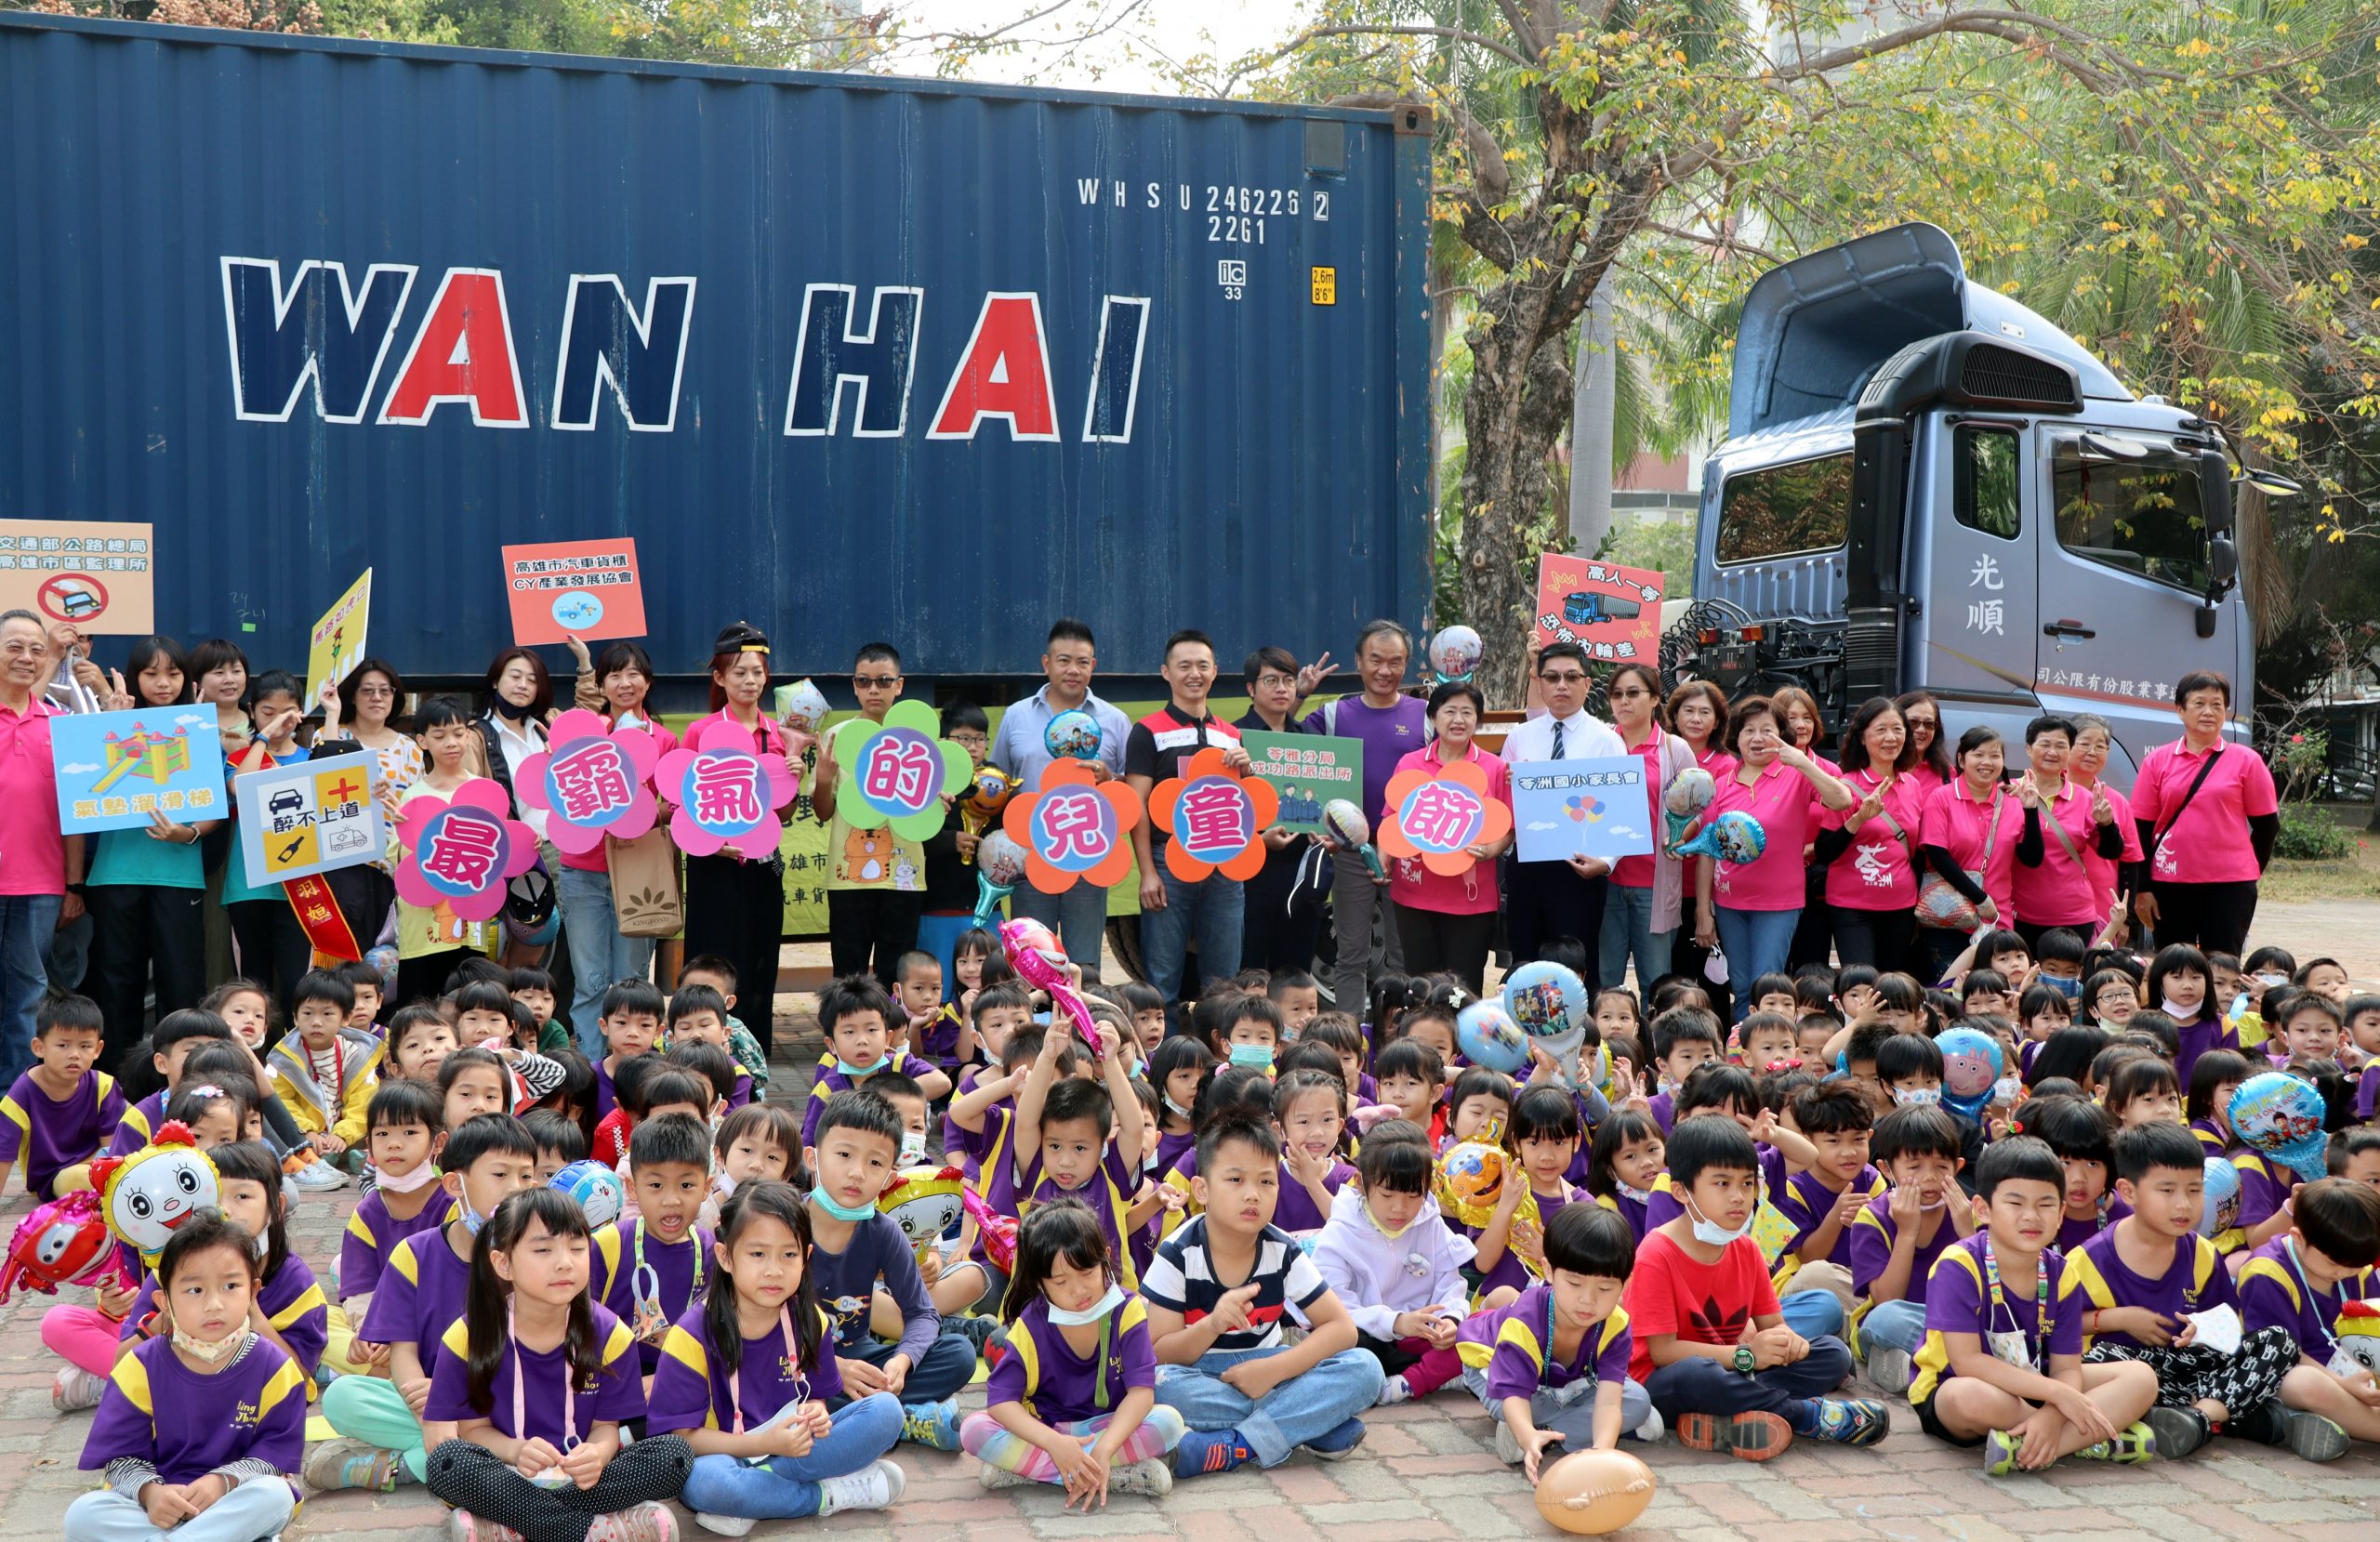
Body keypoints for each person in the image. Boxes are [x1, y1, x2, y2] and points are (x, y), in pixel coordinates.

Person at [420, 1189, 691, 1542]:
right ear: (503, 1263)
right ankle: (593, 1529)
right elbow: (473, 1431)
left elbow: (606, 1428)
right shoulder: (468, 1336)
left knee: (676, 1455)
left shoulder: (612, 1335)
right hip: (508, 1473)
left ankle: (514, 1525)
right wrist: (516, 1451)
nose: (565, 1262)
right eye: (543, 1249)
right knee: (447, 1463)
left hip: (581, 1480)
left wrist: (595, 1454)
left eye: (577, 1248)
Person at [2058, 1121, 2338, 1460]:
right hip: (2124, 1371)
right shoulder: (2086, 1261)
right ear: (2128, 1192)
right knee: (2105, 1364)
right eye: (2167, 1191)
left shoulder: (2202, 1252)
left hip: (2186, 1369)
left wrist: (2205, 1328)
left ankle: (2198, 1418)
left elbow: (2231, 1325)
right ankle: (2245, 1418)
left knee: (2277, 1341)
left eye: (2194, 1191)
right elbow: (2057, 1333)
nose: (2183, 1205)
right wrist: (2115, 1319)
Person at [1621, 1115, 1884, 1459]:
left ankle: (1722, 1420)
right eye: (1722, 1184)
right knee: (1698, 1376)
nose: (1739, 1198)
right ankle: (1806, 1415)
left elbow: (1773, 1325)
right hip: (1665, 1381)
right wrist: (1747, 1356)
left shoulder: (1746, 1248)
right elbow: (1663, 1353)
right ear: (1681, 1191)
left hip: (1737, 1370)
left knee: (1832, 1355)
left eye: (1747, 1184)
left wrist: (1788, 1343)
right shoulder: (1656, 1253)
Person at [654, 1180, 907, 1532]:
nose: (774, 1270)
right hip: (725, 1457)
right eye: (758, 1254)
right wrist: (763, 1444)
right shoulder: (690, 1336)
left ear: (806, 1258)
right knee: (704, 1484)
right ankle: (828, 1495)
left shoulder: (810, 1319)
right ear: (726, 1257)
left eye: (788, 1255)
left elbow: (816, 1395)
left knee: (887, 1412)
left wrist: (816, 1414)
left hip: (794, 1446)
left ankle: (757, 1497)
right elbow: (681, 1438)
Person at [313, 1113, 544, 1494]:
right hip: (431, 1397)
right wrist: (431, 1401)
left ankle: (405, 1466)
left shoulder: (535, 1254)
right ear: (455, 1184)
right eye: (500, 1175)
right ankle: (473, 1458)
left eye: (525, 1177)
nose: (515, 1189)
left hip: (505, 1398)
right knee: (342, 1397)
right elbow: (404, 1351)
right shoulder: (415, 1253)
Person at [1141, 1114, 1384, 1475]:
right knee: (1158, 1391)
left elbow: (1342, 1329)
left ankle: (1236, 1446)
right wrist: (1213, 1324)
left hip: (1272, 1365)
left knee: (1366, 1369)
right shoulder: (1178, 1253)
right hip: (1201, 1375)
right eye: (1236, 1179)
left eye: (1266, 1181)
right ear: (1201, 1189)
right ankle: (1313, 1423)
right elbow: (1158, 1353)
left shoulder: (1282, 1249)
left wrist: (1274, 1369)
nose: (1252, 1193)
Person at [1906, 1136, 2160, 1472]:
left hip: (2039, 1383)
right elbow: (1967, 1361)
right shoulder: (1958, 1264)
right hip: (1957, 1386)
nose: (2031, 1216)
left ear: (2061, 1214)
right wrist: (2059, 1398)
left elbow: (2067, 1368)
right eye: (2015, 1203)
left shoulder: (2062, 1272)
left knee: (2141, 1377)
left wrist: (2054, 1413)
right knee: (1968, 1397)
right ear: (1982, 1209)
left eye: (2045, 1204)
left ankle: (2039, 1446)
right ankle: (2090, 1436)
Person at [67, 1212, 305, 1542]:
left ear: (253, 1292)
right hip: (157, 1508)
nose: (214, 1304)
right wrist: (152, 1494)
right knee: (84, 1514)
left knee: (275, 1495)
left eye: (230, 1286)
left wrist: (221, 1482)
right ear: (165, 1302)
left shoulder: (276, 1368)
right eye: (194, 1289)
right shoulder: (140, 1366)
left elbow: (273, 1460)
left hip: (233, 1501)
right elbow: (120, 1460)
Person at [963, 1200, 1184, 1502]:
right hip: (1047, 1431)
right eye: (1061, 1281)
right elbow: (1001, 1404)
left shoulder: (1128, 1310)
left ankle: (1038, 1470)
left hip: (1109, 1428)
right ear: (1040, 1282)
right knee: (973, 1430)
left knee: (1169, 1422)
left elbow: (1141, 1393)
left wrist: (1106, 1448)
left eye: (1087, 1272)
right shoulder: (1029, 1326)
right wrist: (1055, 1443)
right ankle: (1112, 1475)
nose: (1079, 1290)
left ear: (1105, 1258)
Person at [802, 1090, 972, 1449]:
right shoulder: (787, 1223)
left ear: (890, 1177)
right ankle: (898, 1418)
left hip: (862, 1357)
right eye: (844, 1154)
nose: (857, 1172)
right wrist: (832, 1371)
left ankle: (872, 1413)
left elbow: (923, 1314)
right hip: (797, 1363)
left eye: (875, 1163)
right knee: (775, 1386)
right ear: (813, 1158)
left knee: (959, 1354)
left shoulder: (883, 1231)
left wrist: (902, 1361)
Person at [84, 635, 217, 1064]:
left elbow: (214, 805)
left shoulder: (198, 728)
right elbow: (80, 790)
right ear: (134, 677)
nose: (164, 683)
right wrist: (112, 720)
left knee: (181, 982)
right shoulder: (111, 724)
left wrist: (190, 834)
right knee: (116, 980)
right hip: (115, 872)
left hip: (178, 873)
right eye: (152, 673)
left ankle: (182, 1077)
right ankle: (114, 1082)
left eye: (174, 673)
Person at [1460, 1204, 1660, 1478]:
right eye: (1575, 1284)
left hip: (1562, 1382)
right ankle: (1529, 1431)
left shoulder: (1616, 1324)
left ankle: (1543, 1433)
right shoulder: (1527, 1320)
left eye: (1604, 1288)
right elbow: (1514, 1394)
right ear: (1549, 1271)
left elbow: (1609, 1402)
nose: (1588, 1300)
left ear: (1625, 1285)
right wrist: (1525, 1431)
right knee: (1511, 1408)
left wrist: (1602, 1453)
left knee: (1638, 1401)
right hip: (1491, 1364)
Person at [1296, 621, 1428, 1017]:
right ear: (1359, 661)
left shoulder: (1425, 715)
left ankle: (1404, 1035)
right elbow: (1284, 743)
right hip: (1349, 850)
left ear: (1406, 665)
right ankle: (1349, 1038)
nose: (1385, 671)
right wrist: (1300, 694)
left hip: (1408, 851)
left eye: (1395, 662)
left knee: (1404, 954)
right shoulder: (1334, 714)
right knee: (1351, 953)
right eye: (1376, 660)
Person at [555, 638, 680, 1052]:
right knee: (590, 981)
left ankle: (634, 1068)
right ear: (602, 685)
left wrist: (638, 812)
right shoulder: (587, 735)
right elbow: (564, 798)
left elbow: (673, 808)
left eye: (633, 674)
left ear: (648, 682)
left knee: (633, 981)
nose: (624, 683)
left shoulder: (664, 740)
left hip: (639, 873)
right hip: (582, 871)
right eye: (615, 675)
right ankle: (592, 1074)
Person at [990, 620, 1133, 978]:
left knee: (1084, 965)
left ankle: (1086, 1033)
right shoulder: (1017, 715)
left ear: (1094, 666)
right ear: (1046, 663)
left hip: (1087, 856)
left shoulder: (1114, 720)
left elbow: (1131, 788)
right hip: (1031, 857)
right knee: (1031, 961)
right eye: (1064, 660)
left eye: (1083, 662)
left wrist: (1109, 777)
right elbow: (998, 783)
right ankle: (1035, 1033)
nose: (1073, 670)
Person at [1125, 630, 1254, 1014]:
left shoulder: (1231, 736)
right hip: (1168, 863)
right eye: (1184, 666)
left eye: (1202, 665)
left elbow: (1246, 806)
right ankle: (1160, 1064)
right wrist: (1148, 872)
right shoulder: (1147, 731)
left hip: (1225, 867)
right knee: (1162, 978)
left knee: (1224, 982)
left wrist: (1247, 772)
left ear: (1215, 672)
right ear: (1166, 672)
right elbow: (1137, 805)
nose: (1193, 674)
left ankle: (1222, 1064)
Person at [1688, 695, 1854, 988]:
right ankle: (1740, 1035)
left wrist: (1802, 762)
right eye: (1748, 730)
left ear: (1782, 738)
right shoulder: (1722, 783)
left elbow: (1842, 800)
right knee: (1739, 985)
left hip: (1779, 903)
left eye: (1767, 730)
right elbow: (1707, 851)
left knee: (1766, 982)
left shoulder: (1795, 776)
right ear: (1736, 737)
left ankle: (1767, 1034)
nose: (1757, 738)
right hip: (1729, 901)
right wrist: (1704, 910)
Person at [681, 624, 791, 1052]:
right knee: (712, 963)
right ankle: (704, 1050)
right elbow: (681, 804)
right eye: (740, 672)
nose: (750, 681)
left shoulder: (778, 733)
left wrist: (793, 775)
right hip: (714, 866)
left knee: (761, 963)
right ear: (720, 678)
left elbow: (782, 812)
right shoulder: (700, 732)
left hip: (764, 865)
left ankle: (755, 1053)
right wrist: (710, 841)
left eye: (758, 672)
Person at [1313, 1119, 1474, 1406]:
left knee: (1486, 1326)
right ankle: (1440, 1372)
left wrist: (1450, 1319)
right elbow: (1334, 1308)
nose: (1400, 1208)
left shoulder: (1430, 1221)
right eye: (1387, 1195)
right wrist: (1396, 1322)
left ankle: (1410, 1380)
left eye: (1414, 1196)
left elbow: (1451, 1284)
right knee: (1351, 1346)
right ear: (1361, 1183)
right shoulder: (1341, 1231)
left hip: (1423, 1338)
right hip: (1373, 1339)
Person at [1498, 642, 1626, 981]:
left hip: (1580, 869)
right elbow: (1501, 806)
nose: (1561, 685)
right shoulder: (1518, 738)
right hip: (1526, 867)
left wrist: (1607, 861)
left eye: (1572, 676)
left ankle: (1580, 1033)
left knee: (1577, 965)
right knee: (1525, 963)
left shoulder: (1607, 740)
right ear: (1539, 682)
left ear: (1587, 683)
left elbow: (1621, 808)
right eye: (1552, 677)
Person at [2132, 673, 2277, 957]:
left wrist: (2247, 872)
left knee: (2222, 964)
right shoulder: (2158, 761)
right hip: (2169, 884)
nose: (2209, 712)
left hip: (2230, 888)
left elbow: (2267, 827)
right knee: (2174, 963)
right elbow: (2141, 829)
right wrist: (2143, 888)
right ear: (2180, 710)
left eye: (2217, 704)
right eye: (2199, 703)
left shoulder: (2246, 761)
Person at [813, 640, 928, 992]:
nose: (873, 689)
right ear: (854, 686)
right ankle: (845, 1041)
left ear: (900, 685)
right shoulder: (836, 737)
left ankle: (896, 1043)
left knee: (898, 972)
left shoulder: (920, 739)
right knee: (850, 973)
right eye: (864, 681)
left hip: (906, 873)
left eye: (883, 681)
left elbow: (932, 805)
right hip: (849, 876)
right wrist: (823, 779)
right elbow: (822, 810)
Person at [1384, 680, 1511, 995]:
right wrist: (1384, 856)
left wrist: (1489, 851)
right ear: (1433, 717)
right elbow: (1391, 819)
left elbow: (1508, 828)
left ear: (1478, 720)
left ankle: (1461, 1046)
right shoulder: (1410, 764)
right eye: (1449, 711)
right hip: (1414, 893)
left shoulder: (1494, 767)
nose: (1458, 720)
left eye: (1467, 712)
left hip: (1471, 899)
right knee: (1420, 985)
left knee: (1463, 989)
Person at [390, 695, 498, 1007]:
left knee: (471, 1005)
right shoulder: (412, 796)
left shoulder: (484, 791)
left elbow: (498, 849)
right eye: (439, 736)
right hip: (422, 926)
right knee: (418, 1007)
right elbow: (397, 862)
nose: (451, 743)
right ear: (422, 741)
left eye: (458, 733)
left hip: (473, 918)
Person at [1597, 664, 1696, 993]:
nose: (1624, 701)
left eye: (1633, 693)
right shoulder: (1598, 744)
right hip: (1603, 881)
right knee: (1605, 981)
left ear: (1655, 699)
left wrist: (1681, 834)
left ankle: (1652, 1045)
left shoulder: (1674, 749)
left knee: (1655, 984)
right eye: (1617, 694)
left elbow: (1698, 810)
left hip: (1654, 883)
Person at [311, 655, 419, 955]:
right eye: (367, 690)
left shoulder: (410, 749)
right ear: (353, 696)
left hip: (391, 867)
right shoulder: (330, 734)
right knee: (344, 957)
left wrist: (394, 802)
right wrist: (332, 713)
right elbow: (320, 781)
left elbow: (416, 809)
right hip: (344, 861)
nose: (377, 697)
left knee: (384, 959)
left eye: (385, 691)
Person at [1816, 696, 1926, 973]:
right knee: (1861, 986)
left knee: (1892, 987)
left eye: (1898, 730)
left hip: (1901, 906)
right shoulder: (1845, 786)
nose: (1890, 738)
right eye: (1880, 730)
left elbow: (1916, 850)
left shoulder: (1911, 785)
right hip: (1852, 906)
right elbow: (1825, 851)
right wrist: (1858, 819)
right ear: (1862, 738)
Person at [1234, 646, 1327, 976]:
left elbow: (1327, 800)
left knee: (1295, 974)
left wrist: (1325, 832)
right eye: (1270, 680)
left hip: (1301, 877)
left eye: (1288, 680)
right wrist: (1259, 840)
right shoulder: (1233, 737)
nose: (1282, 688)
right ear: (1251, 688)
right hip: (1248, 877)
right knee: (1249, 973)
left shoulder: (1311, 739)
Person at [2010, 715, 2125, 952]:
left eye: (2061, 745)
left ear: (2070, 751)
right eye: (2045, 744)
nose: (2053, 752)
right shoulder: (2008, 792)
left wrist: (2107, 824)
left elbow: (2110, 851)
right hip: (2018, 915)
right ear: (2029, 748)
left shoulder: (2083, 797)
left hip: (2075, 916)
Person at [1917, 727, 2018, 984]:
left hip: (1998, 920)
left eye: (1995, 756)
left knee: (1994, 995)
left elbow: (2031, 857)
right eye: (1978, 754)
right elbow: (1937, 855)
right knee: (1947, 993)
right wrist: (1980, 898)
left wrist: (2029, 809)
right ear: (1961, 760)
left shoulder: (2012, 802)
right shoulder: (1942, 797)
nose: (1987, 762)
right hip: (1949, 919)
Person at [0, 992, 118, 1203]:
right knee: (75, 1179)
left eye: (85, 1046)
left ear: (98, 1049)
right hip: (53, 1176)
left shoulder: (104, 1085)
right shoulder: (22, 1093)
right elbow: (3, 1154)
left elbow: (114, 1149)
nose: (74, 1054)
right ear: (39, 1047)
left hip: (99, 1165)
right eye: (63, 1045)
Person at [1662, 679, 1732, 1010]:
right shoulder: (1661, 756)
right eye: (1688, 710)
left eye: (1705, 712)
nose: (1696, 718)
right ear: (1674, 715)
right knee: (1672, 973)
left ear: (1717, 721)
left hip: (1703, 887)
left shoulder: (1727, 765)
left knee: (1707, 977)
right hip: (1660, 881)